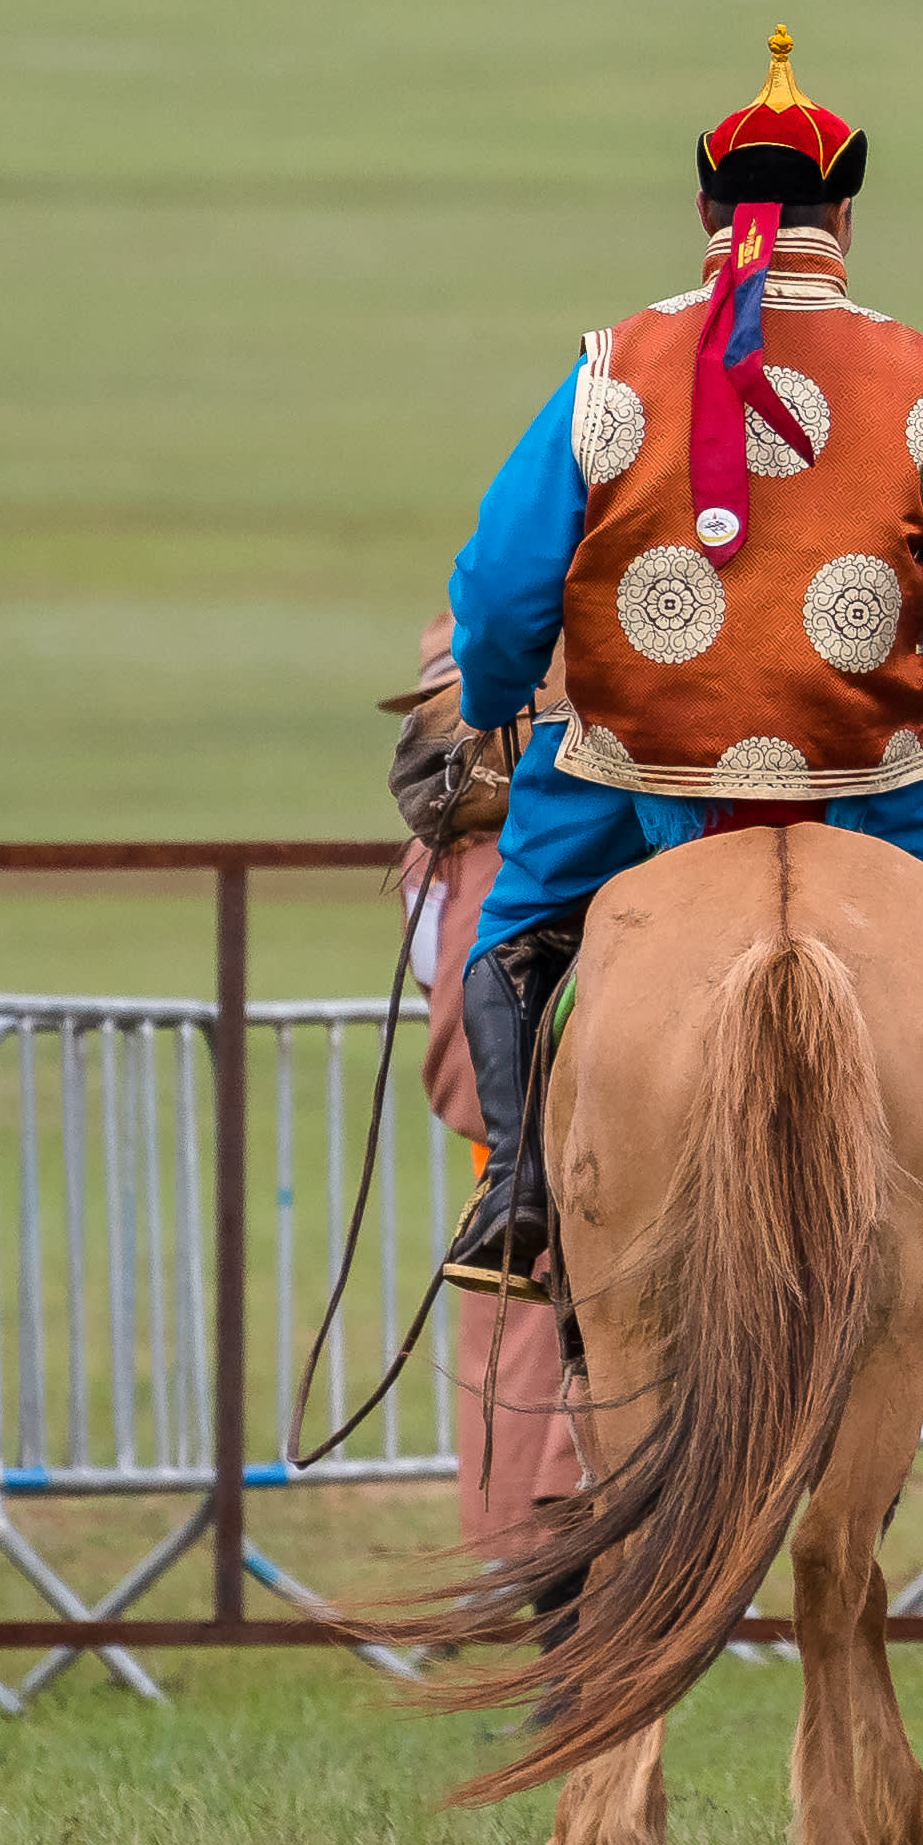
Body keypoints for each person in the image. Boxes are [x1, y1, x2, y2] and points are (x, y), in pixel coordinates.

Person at [434, 32, 923, 1306]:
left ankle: (516, 1194)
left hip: (624, 763)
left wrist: (496, 708)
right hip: (869, 768)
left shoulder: (608, 368)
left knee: (513, 931)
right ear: (845, 215)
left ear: (711, 209)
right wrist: (908, 695)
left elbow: (499, 588)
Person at [384, 631, 588, 1547]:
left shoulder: (440, 866)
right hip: (557, 1169)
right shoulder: (488, 860)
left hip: (511, 1166)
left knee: (514, 1389)